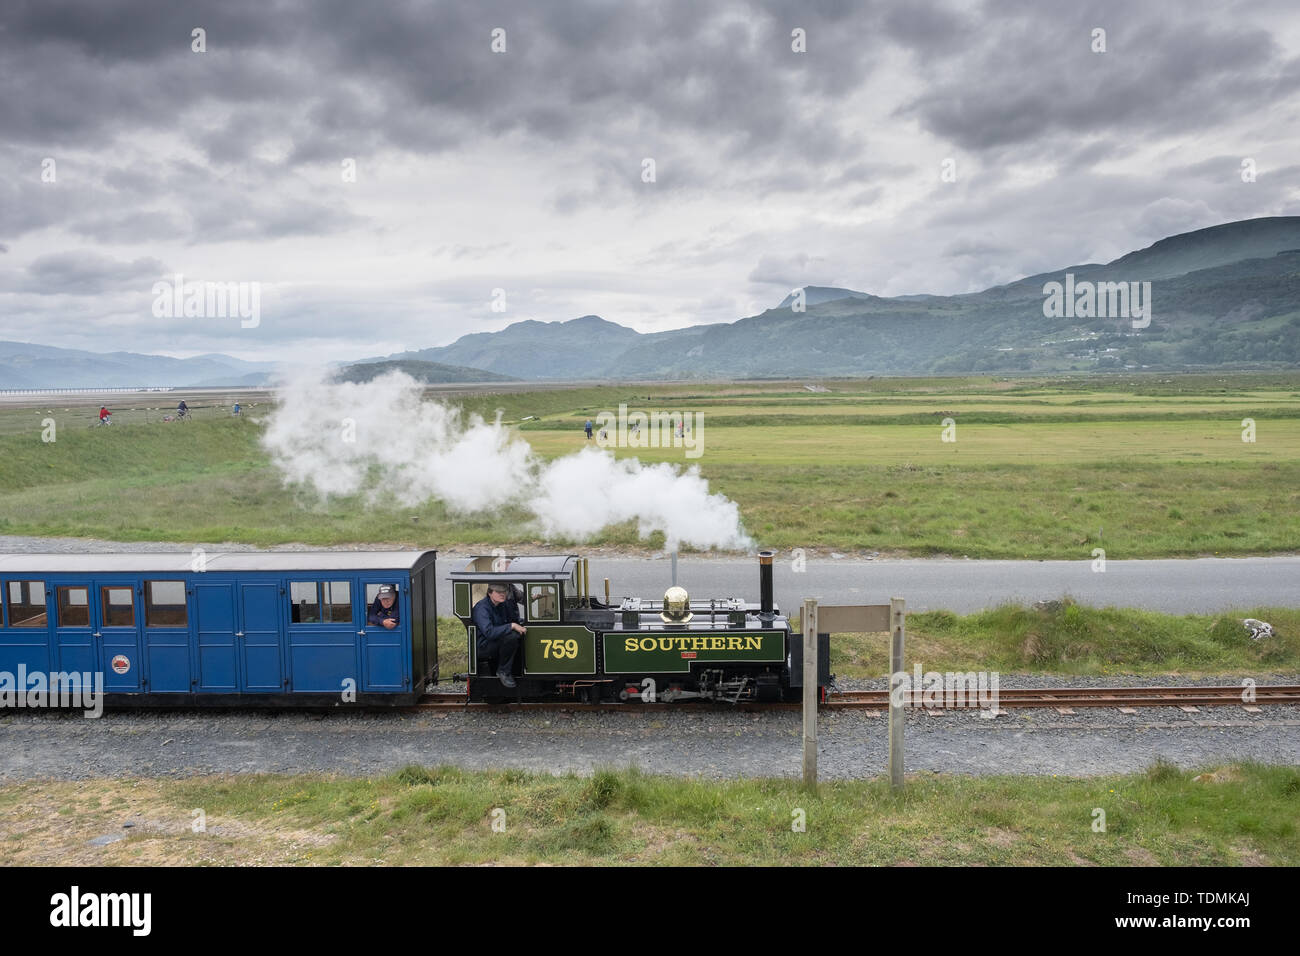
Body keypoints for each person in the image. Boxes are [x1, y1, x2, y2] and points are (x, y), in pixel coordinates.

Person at [471, 582, 526, 688]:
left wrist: (524, 623)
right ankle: (503, 671)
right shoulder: (482, 609)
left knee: (519, 636)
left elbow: (511, 621)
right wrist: (512, 626)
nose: (502, 594)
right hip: (484, 645)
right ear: (490, 593)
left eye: (504, 592)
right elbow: (489, 632)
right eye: (498, 592)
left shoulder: (502, 604)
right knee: (512, 637)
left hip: (496, 640)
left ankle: (517, 670)